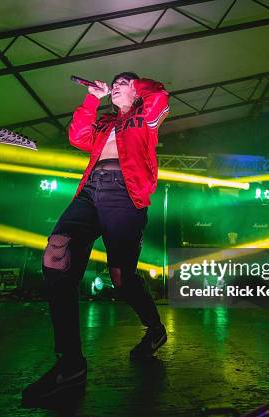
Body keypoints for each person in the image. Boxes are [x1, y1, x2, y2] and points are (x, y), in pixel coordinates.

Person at [22, 72, 170, 403]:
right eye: (114, 83)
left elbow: (160, 94)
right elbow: (77, 137)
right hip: (90, 191)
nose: (115, 85)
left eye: (124, 82)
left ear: (135, 89)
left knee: (121, 277)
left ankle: (155, 328)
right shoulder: (105, 124)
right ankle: (70, 363)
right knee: (55, 257)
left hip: (125, 194)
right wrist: (93, 99)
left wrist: (135, 88)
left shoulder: (145, 116)